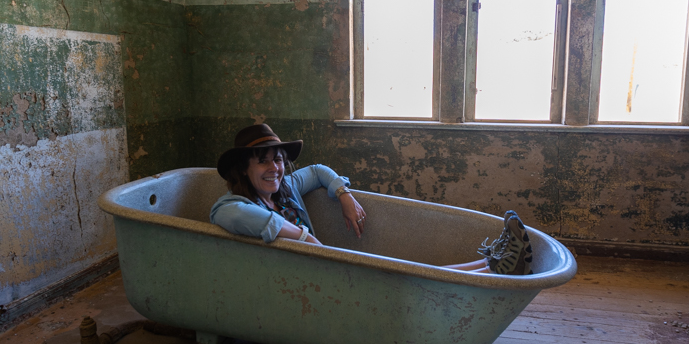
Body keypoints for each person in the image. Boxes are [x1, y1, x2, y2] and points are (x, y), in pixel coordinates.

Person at [210, 124, 533, 275]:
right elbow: (233, 216)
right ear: (243, 169)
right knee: (404, 275)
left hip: (322, 267)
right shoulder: (233, 205)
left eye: (278, 159)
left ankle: (492, 265)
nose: (275, 168)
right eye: (264, 161)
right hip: (300, 282)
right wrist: (305, 236)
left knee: (414, 271)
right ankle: (497, 268)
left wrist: (344, 195)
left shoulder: (287, 186)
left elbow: (320, 171)